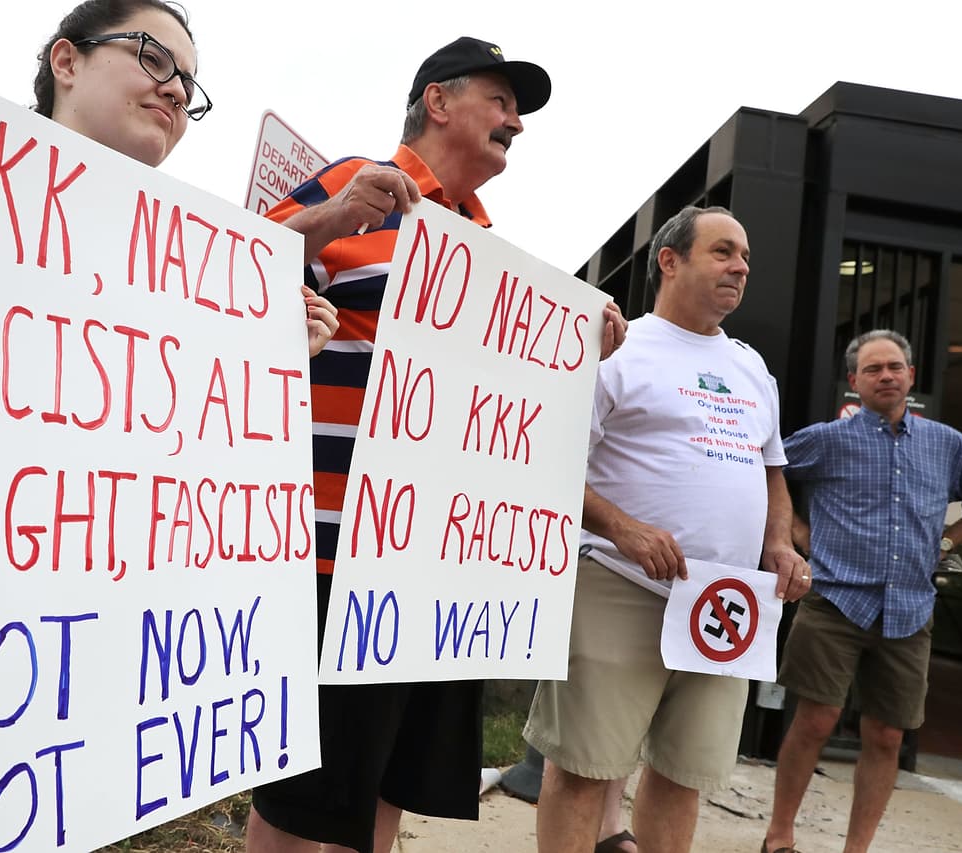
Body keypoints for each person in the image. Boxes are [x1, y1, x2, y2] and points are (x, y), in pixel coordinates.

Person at [0, 3, 338, 850]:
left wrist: (268, 356)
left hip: (84, 632)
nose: (177, 89)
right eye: (155, 55)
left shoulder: (175, 273)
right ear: (66, 60)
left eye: (191, 82)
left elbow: (175, 442)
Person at [246, 35, 628, 853]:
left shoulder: (489, 250)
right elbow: (228, 275)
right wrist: (335, 214)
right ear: (438, 102)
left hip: (438, 569)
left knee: (390, 782)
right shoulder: (350, 184)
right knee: (304, 797)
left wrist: (575, 355)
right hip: (334, 553)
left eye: (517, 109)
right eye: (501, 100)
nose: (515, 121)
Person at [524, 205, 811, 853]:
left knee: (683, 776)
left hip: (725, 605)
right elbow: (550, 460)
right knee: (580, 767)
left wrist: (778, 541)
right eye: (723, 251)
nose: (740, 266)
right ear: (670, 259)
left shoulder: (750, 366)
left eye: (745, 258)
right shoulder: (616, 349)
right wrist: (623, 528)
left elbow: (772, 474)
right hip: (619, 585)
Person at [761, 329, 962, 853]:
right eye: (872, 369)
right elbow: (768, 469)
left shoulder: (948, 444)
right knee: (816, 720)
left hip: (910, 611)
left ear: (911, 376)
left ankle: (857, 849)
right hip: (835, 603)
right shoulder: (830, 439)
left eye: (894, 367)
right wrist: (796, 535)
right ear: (854, 381)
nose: (886, 376)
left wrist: (944, 540)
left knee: (887, 735)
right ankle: (779, 836)